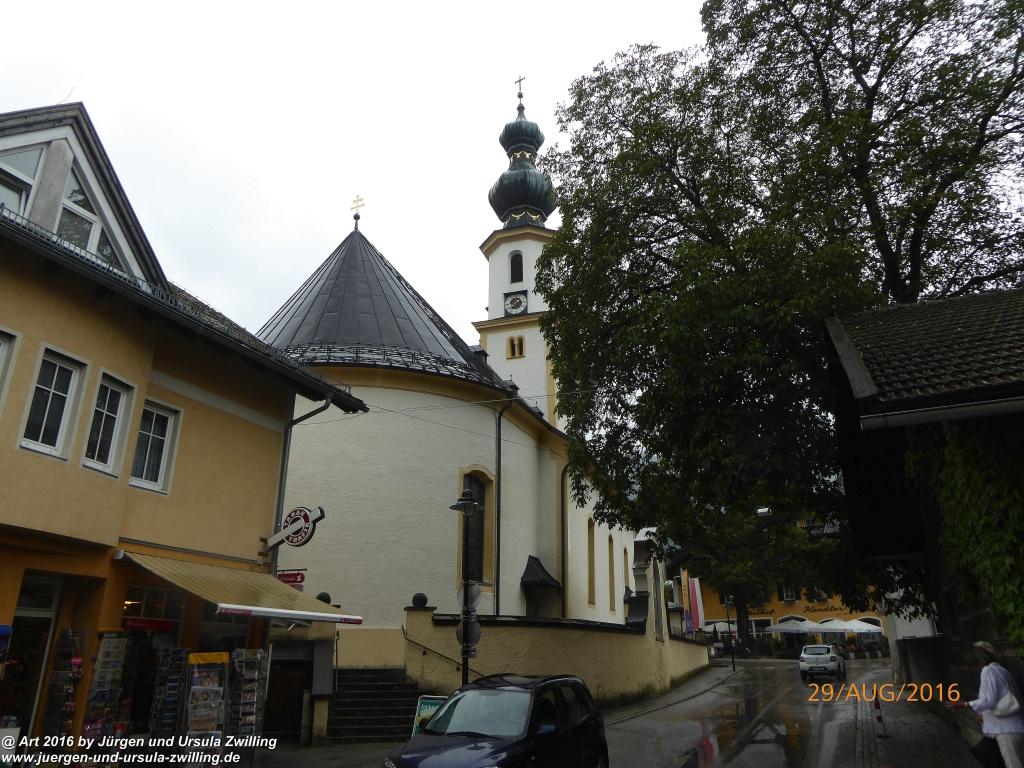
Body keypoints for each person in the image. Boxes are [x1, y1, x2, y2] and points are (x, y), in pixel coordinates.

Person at [950, 641, 1024, 768]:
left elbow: (988, 700)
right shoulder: (1002, 670)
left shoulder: (988, 671)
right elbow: (1002, 700)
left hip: (1006, 731)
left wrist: (964, 704)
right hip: (1015, 727)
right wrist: (986, 717)